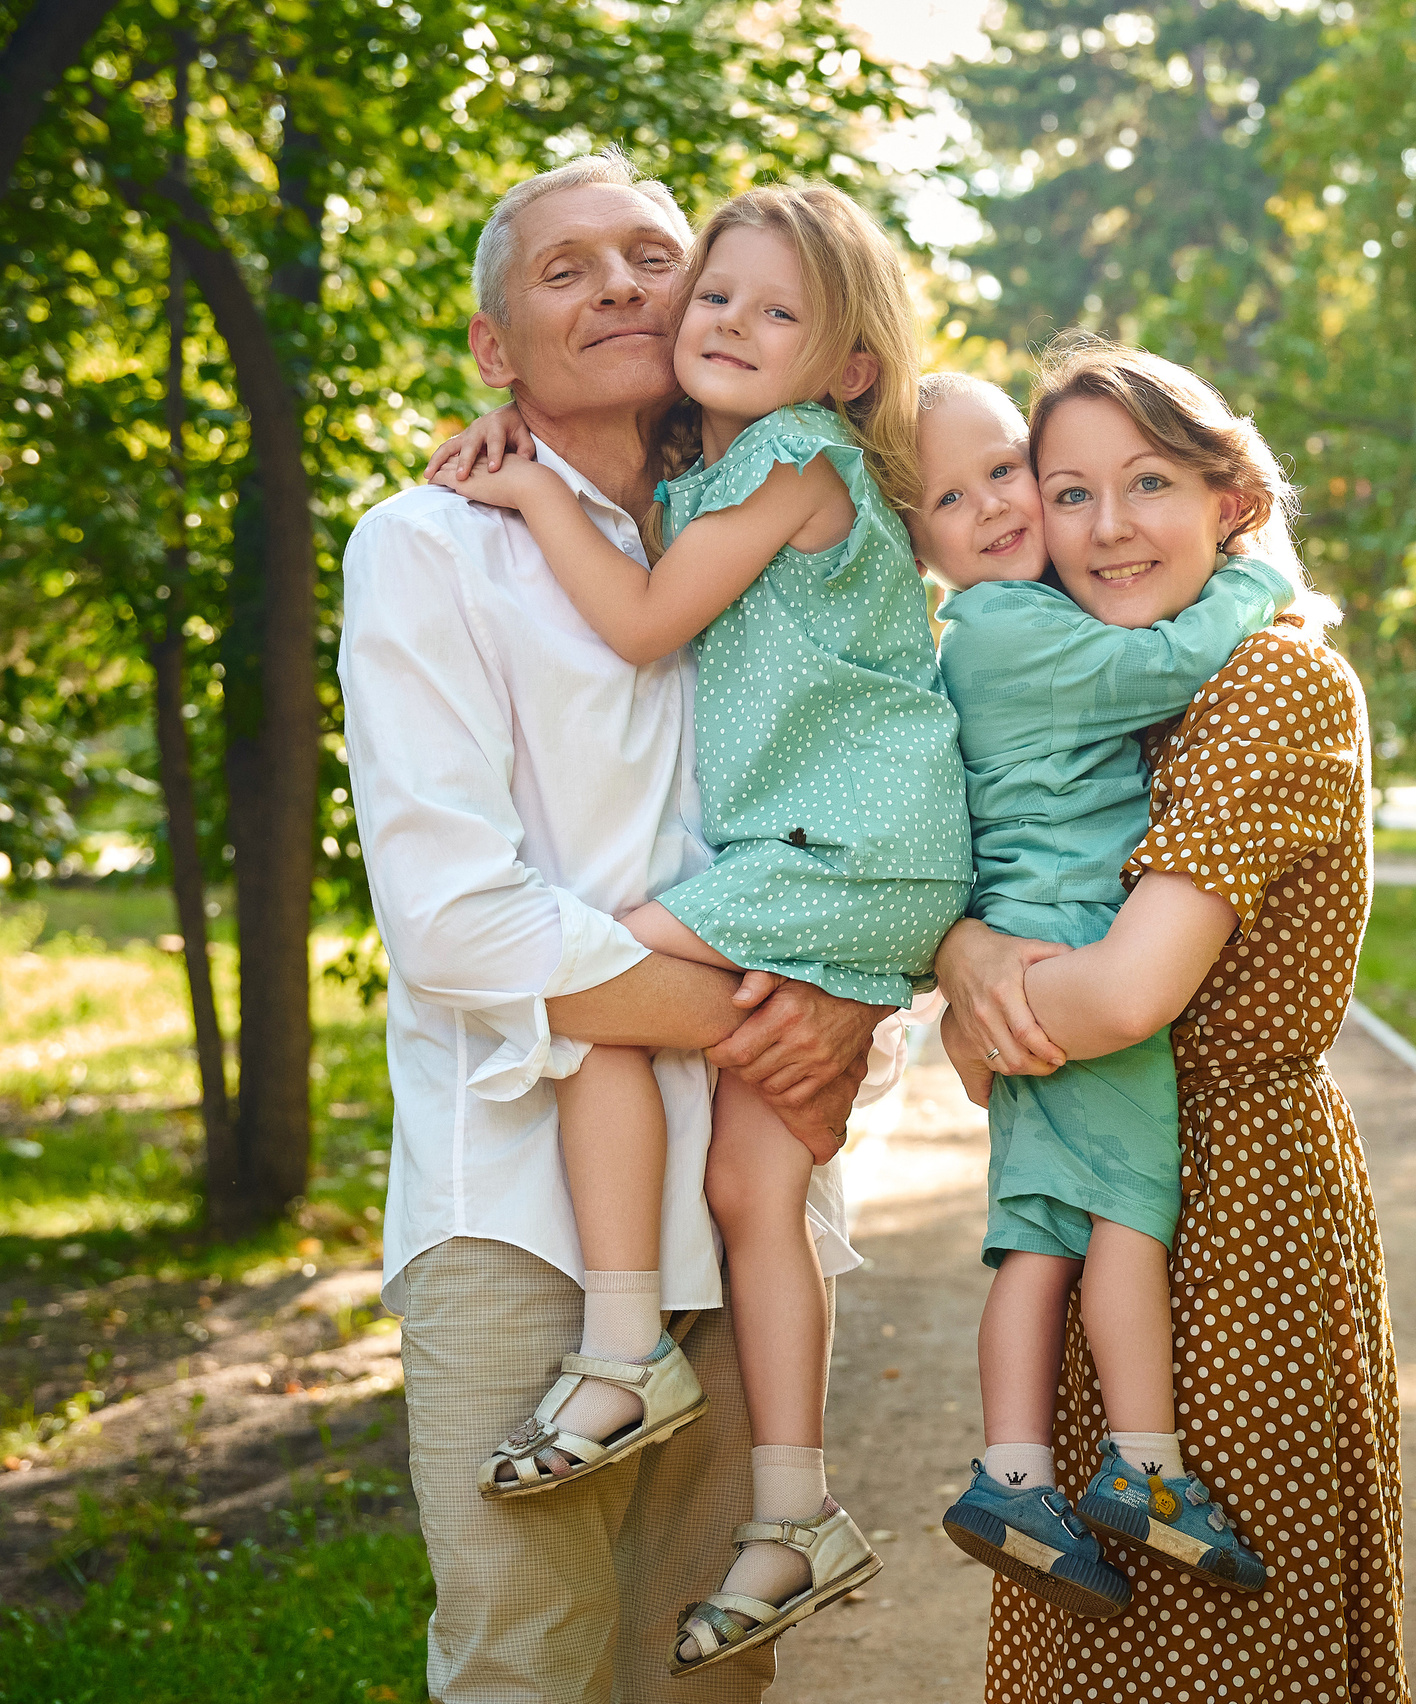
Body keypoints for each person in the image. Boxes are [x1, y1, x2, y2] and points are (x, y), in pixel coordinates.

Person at [340, 149, 891, 1704]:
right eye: (566, 269)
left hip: (759, 1205)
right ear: (493, 351)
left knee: (713, 1682)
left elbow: (882, 833)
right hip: (519, 1218)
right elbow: (455, 921)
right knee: (533, 1662)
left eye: (654, 252)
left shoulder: (798, 541)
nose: (627, 287)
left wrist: (867, 1021)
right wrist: (780, 1021)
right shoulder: (434, 546)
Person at [934, 335, 1409, 1701]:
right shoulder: (1106, 672)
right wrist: (969, 948)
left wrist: (975, 985)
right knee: (1087, 1649)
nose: (1104, 527)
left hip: (1237, 1215)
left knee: (1232, 1656)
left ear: (1231, 499)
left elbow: (1120, 996)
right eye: (1066, 491)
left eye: (1146, 482)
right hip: (1108, 1198)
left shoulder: (1270, 677)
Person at [905, 372, 1287, 1615]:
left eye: (1007, 473)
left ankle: (1013, 1470)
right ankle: (1143, 1467)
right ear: (916, 540)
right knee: (1128, 1212)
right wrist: (1257, 580)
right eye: (949, 498)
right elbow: (1164, 662)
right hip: (1076, 940)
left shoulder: (992, 630)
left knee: (1034, 1236)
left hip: (1028, 939)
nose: (997, 508)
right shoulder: (1017, 632)